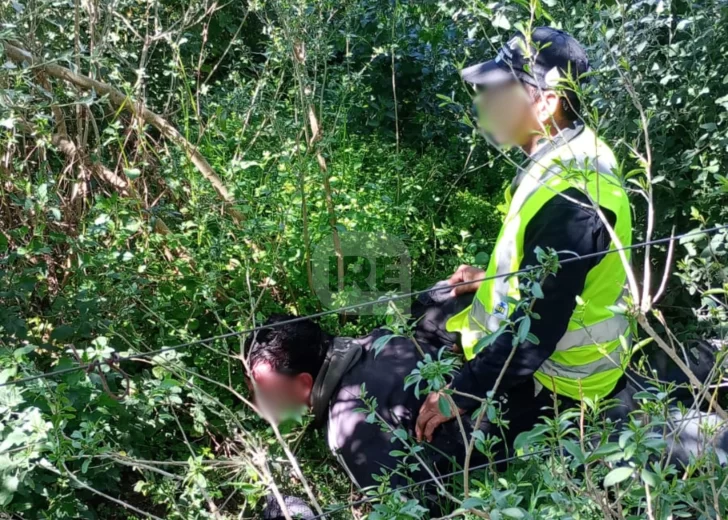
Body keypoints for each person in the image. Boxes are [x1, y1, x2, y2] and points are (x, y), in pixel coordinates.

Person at [415, 26, 635, 443]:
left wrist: (460, 392)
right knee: (427, 308)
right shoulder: (567, 150)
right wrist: (492, 278)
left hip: (561, 379)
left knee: (436, 449)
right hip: (536, 336)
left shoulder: (575, 201)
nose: (486, 104)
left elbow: (538, 332)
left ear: (547, 103)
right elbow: (554, 271)